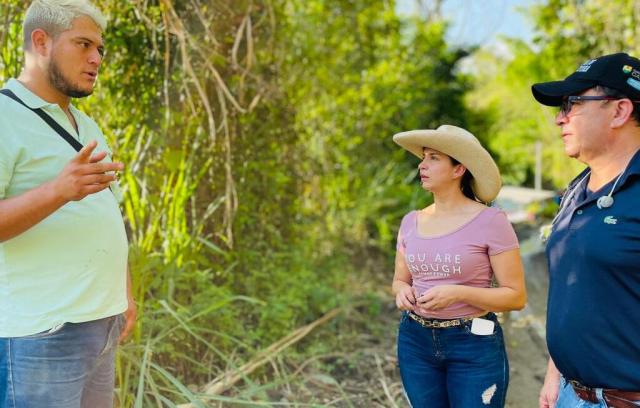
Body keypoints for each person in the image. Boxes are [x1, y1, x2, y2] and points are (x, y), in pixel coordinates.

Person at [0, 1, 135, 406]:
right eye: (83, 44)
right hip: (42, 334)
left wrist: (123, 291)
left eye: (100, 49)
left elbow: (104, 210)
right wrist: (58, 190)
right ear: (41, 42)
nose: (96, 58)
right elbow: (66, 193)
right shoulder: (5, 116)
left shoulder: (84, 123)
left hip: (100, 324)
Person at [392, 125, 527, 408]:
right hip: (414, 341)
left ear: (458, 169)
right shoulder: (410, 222)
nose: (422, 164)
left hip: (473, 342)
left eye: (434, 158)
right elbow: (399, 281)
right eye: (423, 157)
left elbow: (515, 296)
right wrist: (402, 291)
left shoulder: (491, 221)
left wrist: (458, 293)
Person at [533, 53, 640, 408]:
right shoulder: (575, 190)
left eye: (572, 103)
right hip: (569, 392)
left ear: (620, 111)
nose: (559, 119)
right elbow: (575, 288)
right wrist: (555, 371)